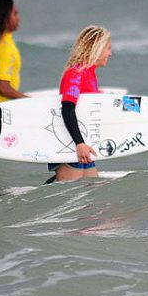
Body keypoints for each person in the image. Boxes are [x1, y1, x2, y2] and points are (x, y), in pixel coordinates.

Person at [48, 25, 112, 182]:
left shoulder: (89, 72)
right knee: (68, 198)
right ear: (95, 48)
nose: (110, 53)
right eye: (107, 48)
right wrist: (79, 143)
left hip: (80, 143)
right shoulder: (76, 73)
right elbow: (68, 108)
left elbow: (82, 105)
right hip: (70, 144)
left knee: (92, 194)